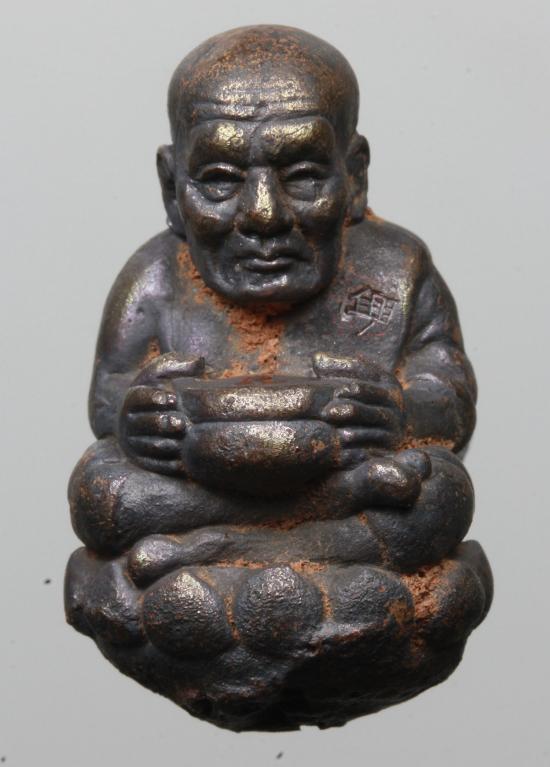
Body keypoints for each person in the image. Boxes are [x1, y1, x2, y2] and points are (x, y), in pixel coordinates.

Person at [66, 26, 491, 731]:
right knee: (102, 487)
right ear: (171, 187)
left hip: (343, 484)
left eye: (303, 176)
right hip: (204, 487)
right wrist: (137, 419)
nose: (264, 215)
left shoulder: (396, 268)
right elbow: (110, 398)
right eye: (220, 180)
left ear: (354, 176)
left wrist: (398, 409)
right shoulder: (156, 277)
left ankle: (217, 566)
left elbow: (448, 394)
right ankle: (320, 586)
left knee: (439, 491)